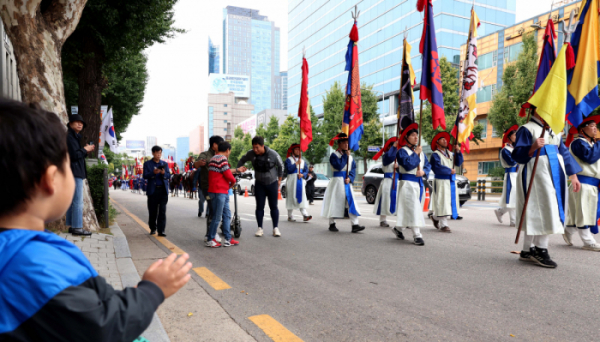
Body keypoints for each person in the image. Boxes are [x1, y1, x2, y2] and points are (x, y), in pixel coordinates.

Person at [0, 99, 192, 341]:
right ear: (50, 180)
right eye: (66, 166)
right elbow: (104, 327)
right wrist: (152, 290)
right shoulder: (33, 261)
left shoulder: (22, 249)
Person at [512, 112, 581, 268]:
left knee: (542, 209)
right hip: (535, 173)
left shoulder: (554, 130)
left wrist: (574, 175)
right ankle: (540, 249)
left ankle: (526, 250)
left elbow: (564, 153)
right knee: (542, 208)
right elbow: (517, 154)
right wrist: (533, 147)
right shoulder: (527, 128)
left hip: (555, 172)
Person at [564, 116, 600, 251]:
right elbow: (590, 158)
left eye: (596, 125)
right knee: (584, 212)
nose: (595, 128)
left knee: (586, 212)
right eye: (591, 125)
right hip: (582, 182)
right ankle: (588, 241)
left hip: (592, 183)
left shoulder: (592, 144)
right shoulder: (578, 143)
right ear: (582, 129)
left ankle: (568, 229)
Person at [237, 136, 284, 237]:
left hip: (272, 183)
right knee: (259, 206)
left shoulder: (273, 154)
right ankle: (260, 228)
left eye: (257, 147)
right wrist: (238, 169)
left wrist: (279, 180)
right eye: (253, 147)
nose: (255, 150)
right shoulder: (251, 153)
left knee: (273, 206)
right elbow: (242, 160)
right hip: (259, 184)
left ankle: (275, 228)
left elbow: (281, 166)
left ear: (263, 146)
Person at [394, 124, 431, 245]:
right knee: (413, 208)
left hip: (418, 183)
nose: (416, 137)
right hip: (407, 184)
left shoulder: (420, 152)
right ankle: (417, 235)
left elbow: (427, 165)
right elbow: (408, 165)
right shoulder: (402, 152)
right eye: (413, 135)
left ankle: (398, 229)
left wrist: (424, 171)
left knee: (410, 209)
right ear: (406, 138)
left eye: (417, 135)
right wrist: (416, 153)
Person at [321, 133, 365, 233]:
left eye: (347, 143)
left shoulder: (351, 157)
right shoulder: (334, 155)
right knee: (335, 202)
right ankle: (332, 223)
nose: (346, 145)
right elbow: (339, 166)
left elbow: (353, 168)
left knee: (351, 202)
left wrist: (350, 178)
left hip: (346, 182)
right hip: (337, 182)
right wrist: (345, 156)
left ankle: (355, 224)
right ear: (339, 144)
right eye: (344, 143)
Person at [206, 142, 240, 248]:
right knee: (217, 216)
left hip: (220, 191)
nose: (229, 153)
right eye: (230, 151)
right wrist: (233, 181)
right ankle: (210, 239)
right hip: (218, 191)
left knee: (226, 214)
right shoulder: (222, 158)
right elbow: (228, 174)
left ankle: (228, 238)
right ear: (227, 150)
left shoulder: (213, 158)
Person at [429, 131, 464, 233]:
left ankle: (435, 217)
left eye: (446, 139)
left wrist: (458, 151)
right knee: (442, 201)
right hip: (440, 180)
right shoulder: (435, 155)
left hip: (450, 181)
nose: (445, 140)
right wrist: (449, 170)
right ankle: (444, 224)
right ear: (437, 143)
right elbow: (436, 167)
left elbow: (458, 162)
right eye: (442, 139)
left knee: (448, 202)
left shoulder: (450, 153)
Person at [66, 113, 94, 236]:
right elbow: (74, 156)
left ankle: (72, 226)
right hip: (74, 171)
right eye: (77, 122)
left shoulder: (75, 137)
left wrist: (84, 150)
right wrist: (85, 150)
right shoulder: (70, 137)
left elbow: (77, 154)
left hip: (73, 170)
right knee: (78, 200)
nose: (80, 124)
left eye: (81, 123)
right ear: (70, 123)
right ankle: (77, 227)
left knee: (73, 200)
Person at [372, 137, 400, 227]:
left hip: (397, 181)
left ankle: (402, 220)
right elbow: (388, 160)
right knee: (385, 200)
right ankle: (383, 219)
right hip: (388, 180)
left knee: (400, 200)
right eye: (394, 146)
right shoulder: (386, 156)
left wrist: (398, 167)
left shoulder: (398, 156)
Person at [495, 125, 519, 227]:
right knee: (512, 197)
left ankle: (500, 211)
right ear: (509, 137)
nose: (516, 136)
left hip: (517, 174)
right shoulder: (505, 150)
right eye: (514, 135)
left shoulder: (515, 148)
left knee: (515, 197)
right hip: (510, 175)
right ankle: (513, 220)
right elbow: (512, 161)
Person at [143, 146, 170, 237]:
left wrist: (163, 174)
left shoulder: (164, 164)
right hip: (153, 191)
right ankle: (153, 228)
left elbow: (168, 175)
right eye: (157, 153)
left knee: (162, 211)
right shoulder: (147, 164)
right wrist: (153, 173)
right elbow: (145, 176)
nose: (159, 155)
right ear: (153, 153)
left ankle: (161, 230)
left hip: (163, 190)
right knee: (153, 211)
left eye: (160, 153)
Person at [284, 143, 312, 222]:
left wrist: (303, 174)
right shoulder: (288, 160)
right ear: (292, 151)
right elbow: (289, 169)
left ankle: (305, 214)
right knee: (291, 197)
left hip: (300, 181)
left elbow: (306, 171)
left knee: (302, 196)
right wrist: (296, 164)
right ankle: (290, 215)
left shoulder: (302, 161)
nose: (298, 151)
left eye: (299, 149)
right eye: (296, 149)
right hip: (292, 180)